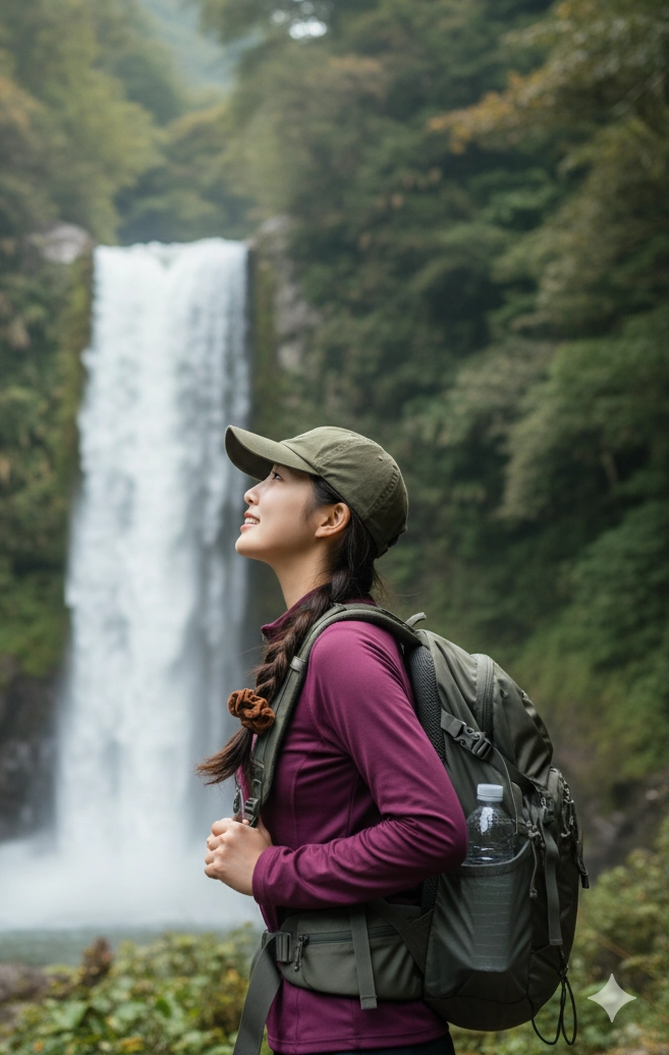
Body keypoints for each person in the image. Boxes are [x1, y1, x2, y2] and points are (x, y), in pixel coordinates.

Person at [199, 424, 469, 1055]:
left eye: (278, 478)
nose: (253, 492)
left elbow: (433, 830)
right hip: (318, 1021)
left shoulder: (345, 650)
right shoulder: (308, 646)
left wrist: (269, 868)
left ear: (332, 518)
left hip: (367, 1035)